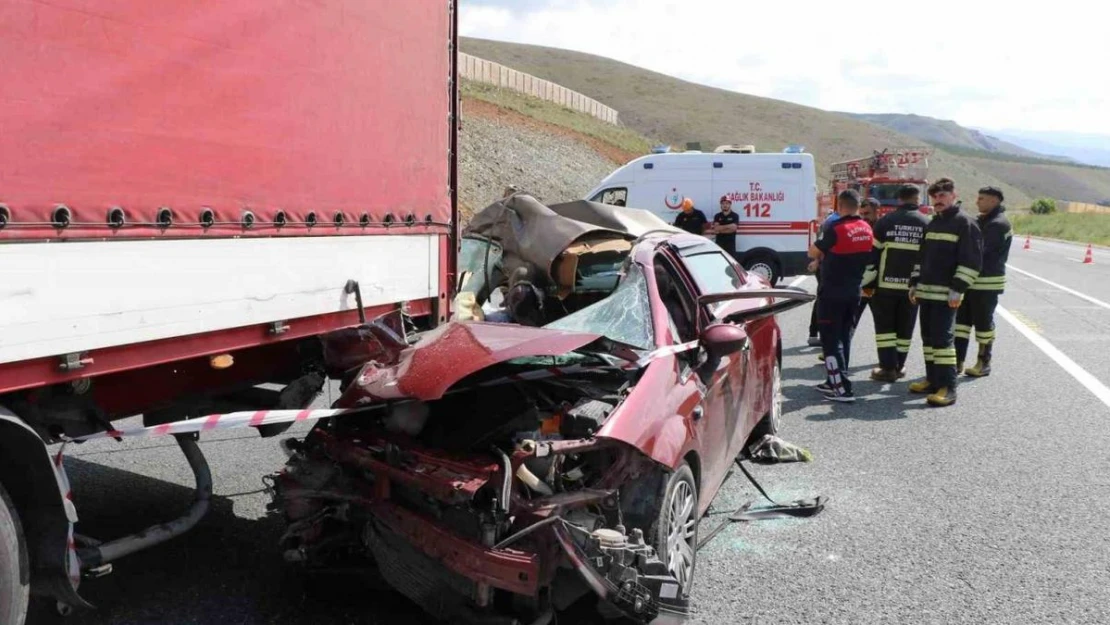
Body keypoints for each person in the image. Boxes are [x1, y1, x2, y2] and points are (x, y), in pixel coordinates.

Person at [907, 177, 983, 407]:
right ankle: (932, 379)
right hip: (926, 293)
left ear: (953, 195)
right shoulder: (933, 223)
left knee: (942, 340)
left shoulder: (965, 223)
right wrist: (914, 283)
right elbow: (922, 257)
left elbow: (971, 261)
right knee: (928, 340)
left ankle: (948, 387)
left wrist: (958, 289)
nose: (938, 200)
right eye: (934, 196)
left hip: (946, 295)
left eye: (942, 196)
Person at [810, 189, 873, 403]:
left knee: (830, 341)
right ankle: (833, 380)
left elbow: (813, 251)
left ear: (840, 206)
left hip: (832, 292)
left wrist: (820, 256)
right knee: (844, 338)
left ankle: (842, 389)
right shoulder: (866, 228)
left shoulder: (836, 228)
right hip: (853, 292)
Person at [863, 185, 930, 382]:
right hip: (912, 288)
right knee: (905, 329)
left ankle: (887, 368)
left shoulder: (886, 222)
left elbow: (872, 257)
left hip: (885, 286)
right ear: (918, 200)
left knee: (885, 329)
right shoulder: (926, 223)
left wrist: (866, 283)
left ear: (899, 199)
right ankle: (899, 366)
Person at [955, 186, 1012, 377]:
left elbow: (980, 251)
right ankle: (957, 362)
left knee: (983, 324)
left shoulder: (998, 224)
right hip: (970, 282)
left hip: (986, 283)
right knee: (961, 324)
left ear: (994, 201)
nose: (977, 201)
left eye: (982, 198)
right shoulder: (983, 220)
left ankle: (984, 362)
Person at [807, 203, 843, 347]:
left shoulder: (835, 220)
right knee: (824, 298)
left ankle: (817, 333)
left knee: (824, 298)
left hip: (828, 264)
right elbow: (822, 244)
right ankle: (817, 333)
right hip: (825, 265)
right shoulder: (834, 221)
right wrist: (816, 261)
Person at [852, 198, 881, 329]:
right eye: (861, 214)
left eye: (867, 213)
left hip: (878, 286)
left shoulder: (883, 229)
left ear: (877, 212)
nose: (864, 217)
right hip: (860, 284)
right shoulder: (856, 229)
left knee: (883, 326)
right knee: (850, 323)